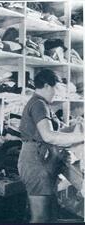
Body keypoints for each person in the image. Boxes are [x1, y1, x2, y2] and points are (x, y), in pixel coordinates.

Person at [18, 69, 84, 223]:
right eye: (56, 88)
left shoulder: (42, 104)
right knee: (40, 218)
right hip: (36, 162)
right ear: (47, 85)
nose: (56, 93)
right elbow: (48, 136)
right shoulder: (38, 104)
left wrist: (76, 129)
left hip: (43, 160)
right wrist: (81, 136)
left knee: (49, 216)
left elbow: (53, 133)